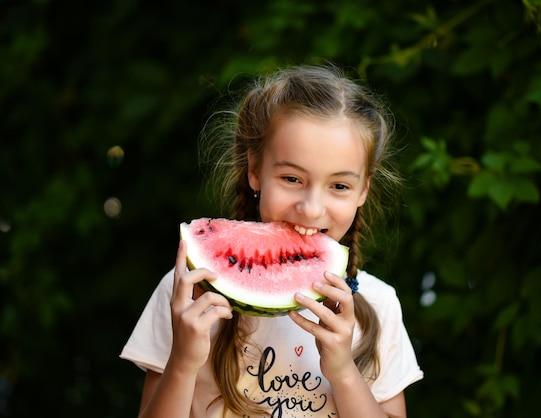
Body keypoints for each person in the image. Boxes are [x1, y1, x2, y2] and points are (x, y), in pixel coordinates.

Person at [120, 64, 423, 418]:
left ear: (363, 191)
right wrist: (183, 363)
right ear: (254, 171)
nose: (311, 209)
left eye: (339, 186)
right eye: (292, 178)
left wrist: (343, 371)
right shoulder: (189, 297)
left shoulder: (379, 306)